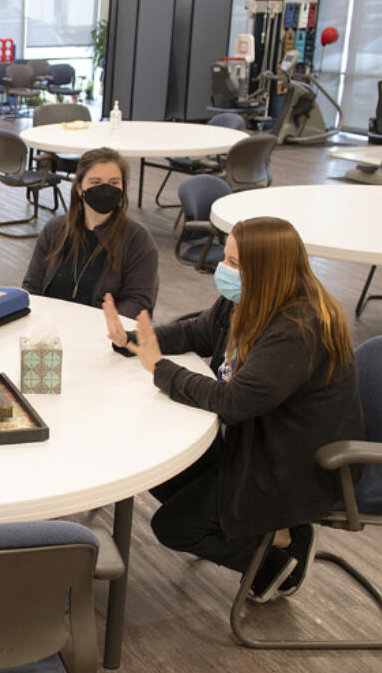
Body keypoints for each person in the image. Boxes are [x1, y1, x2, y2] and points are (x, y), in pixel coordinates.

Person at [103, 217, 364, 601]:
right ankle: (269, 532)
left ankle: (279, 563)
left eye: (236, 263)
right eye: (227, 258)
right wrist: (134, 339)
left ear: (268, 270)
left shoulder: (299, 327)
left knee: (174, 527)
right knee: (150, 466)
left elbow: (233, 402)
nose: (224, 270)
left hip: (289, 462)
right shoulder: (249, 297)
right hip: (253, 439)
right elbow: (198, 333)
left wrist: (159, 367)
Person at [21, 147, 158, 318]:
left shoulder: (138, 239)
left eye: (114, 182)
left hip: (103, 336)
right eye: (96, 182)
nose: (106, 189)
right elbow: (32, 286)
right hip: (49, 330)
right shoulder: (55, 230)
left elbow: (138, 303)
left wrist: (102, 328)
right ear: (80, 188)